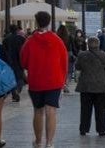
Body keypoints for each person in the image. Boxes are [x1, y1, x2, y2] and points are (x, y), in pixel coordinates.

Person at [20, 11, 69, 148]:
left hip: (36, 80)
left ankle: (38, 141)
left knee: (38, 111)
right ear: (49, 22)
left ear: (36, 22)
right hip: (54, 80)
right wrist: (62, 78)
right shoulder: (57, 40)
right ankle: (49, 143)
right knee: (51, 110)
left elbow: (23, 61)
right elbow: (64, 61)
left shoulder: (30, 41)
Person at [75, 36, 105, 137]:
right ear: (98, 44)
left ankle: (83, 129)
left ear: (88, 44)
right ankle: (101, 130)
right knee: (100, 110)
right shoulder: (104, 55)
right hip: (101, 87)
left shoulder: (82, 55)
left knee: (85, 110)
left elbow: (77, 66)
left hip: (85, 86)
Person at [3, 24, 26, 102]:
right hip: (19, 60)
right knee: (20, 77)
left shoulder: (6, 39)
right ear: (17, 30)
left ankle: (14, 91)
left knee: (11, 78)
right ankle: (17, 90)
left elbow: (4, 50)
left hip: (9, 61)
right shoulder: (22, 38)